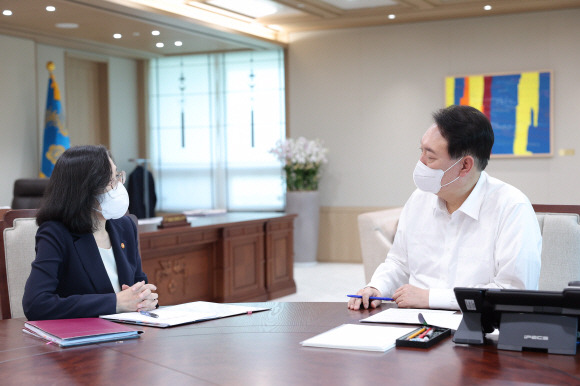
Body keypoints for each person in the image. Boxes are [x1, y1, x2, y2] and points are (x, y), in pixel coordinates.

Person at [348, 105, 542, 311]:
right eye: (421, 151)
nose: (420, 163)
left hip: (478, 326)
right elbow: (399, 262)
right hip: (413, 322)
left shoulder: (511, 207)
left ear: (465, 166)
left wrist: (431, 298)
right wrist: (377, 287)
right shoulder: (418, 200)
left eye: (430, 157)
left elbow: (513, 292)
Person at [23, 145, 158, 320]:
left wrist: (145, 299)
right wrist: (115, 302)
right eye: (110, 181)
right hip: (83, 338)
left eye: (117, 176)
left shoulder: (125, 226)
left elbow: (138, 286)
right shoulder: (55, 233)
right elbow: (36, 304)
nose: (118, 186)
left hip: (130, 334)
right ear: (84, 191)